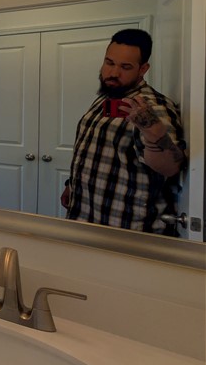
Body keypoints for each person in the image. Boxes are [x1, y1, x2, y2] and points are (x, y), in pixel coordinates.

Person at [60, 28, 186, 235]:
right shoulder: (106, 97)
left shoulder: (153, 106)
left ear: (143, 68)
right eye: (109, 63)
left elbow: (171, 168)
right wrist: (71, 185)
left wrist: (154, 132)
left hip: (128, 231)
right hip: (87, 220)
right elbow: (96, 149)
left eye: (125, 67)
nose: (113, 73)